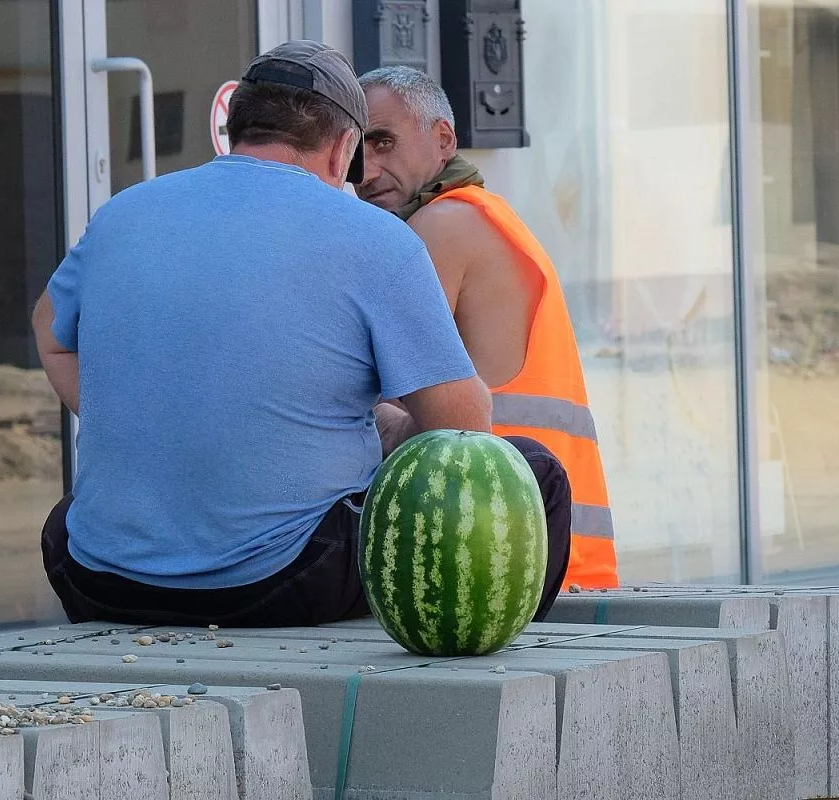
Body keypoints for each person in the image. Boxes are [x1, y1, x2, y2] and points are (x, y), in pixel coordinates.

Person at [30, 40, 492, 628]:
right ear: (343, 147)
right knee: (536, 471)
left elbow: (51, 333)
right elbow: (465, 427)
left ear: (234, 129)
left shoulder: (123, 212)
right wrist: (388, 427)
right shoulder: (377, 239)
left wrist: (148, 420)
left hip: (100, 581)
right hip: (284, 580)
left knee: (76, 515)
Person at [356, 65, 620, 592]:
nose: (365, 171)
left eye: (383, 141)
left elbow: (374, 400)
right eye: (355, 151)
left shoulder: (440, 226)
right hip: (558, 557)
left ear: (443, 140)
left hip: (500, 549)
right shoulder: (491, 216)